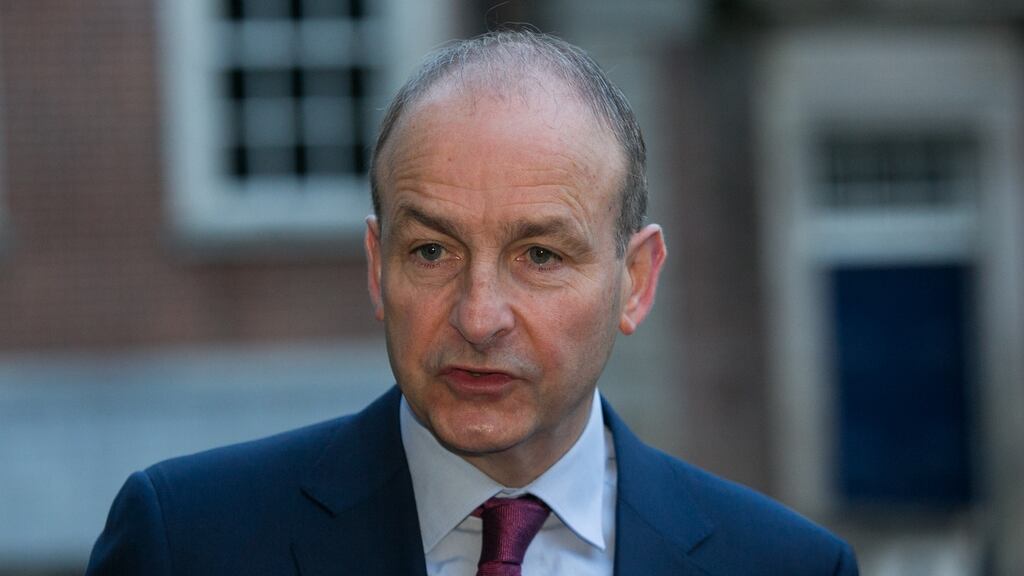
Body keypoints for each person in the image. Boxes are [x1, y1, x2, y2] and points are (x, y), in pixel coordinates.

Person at [86, 30, 858, 575]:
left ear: (637, 280)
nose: (479, 315)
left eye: (540, 255)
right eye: (431, 251)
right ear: (376, 267)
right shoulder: (186, 542)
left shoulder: (787, 564)